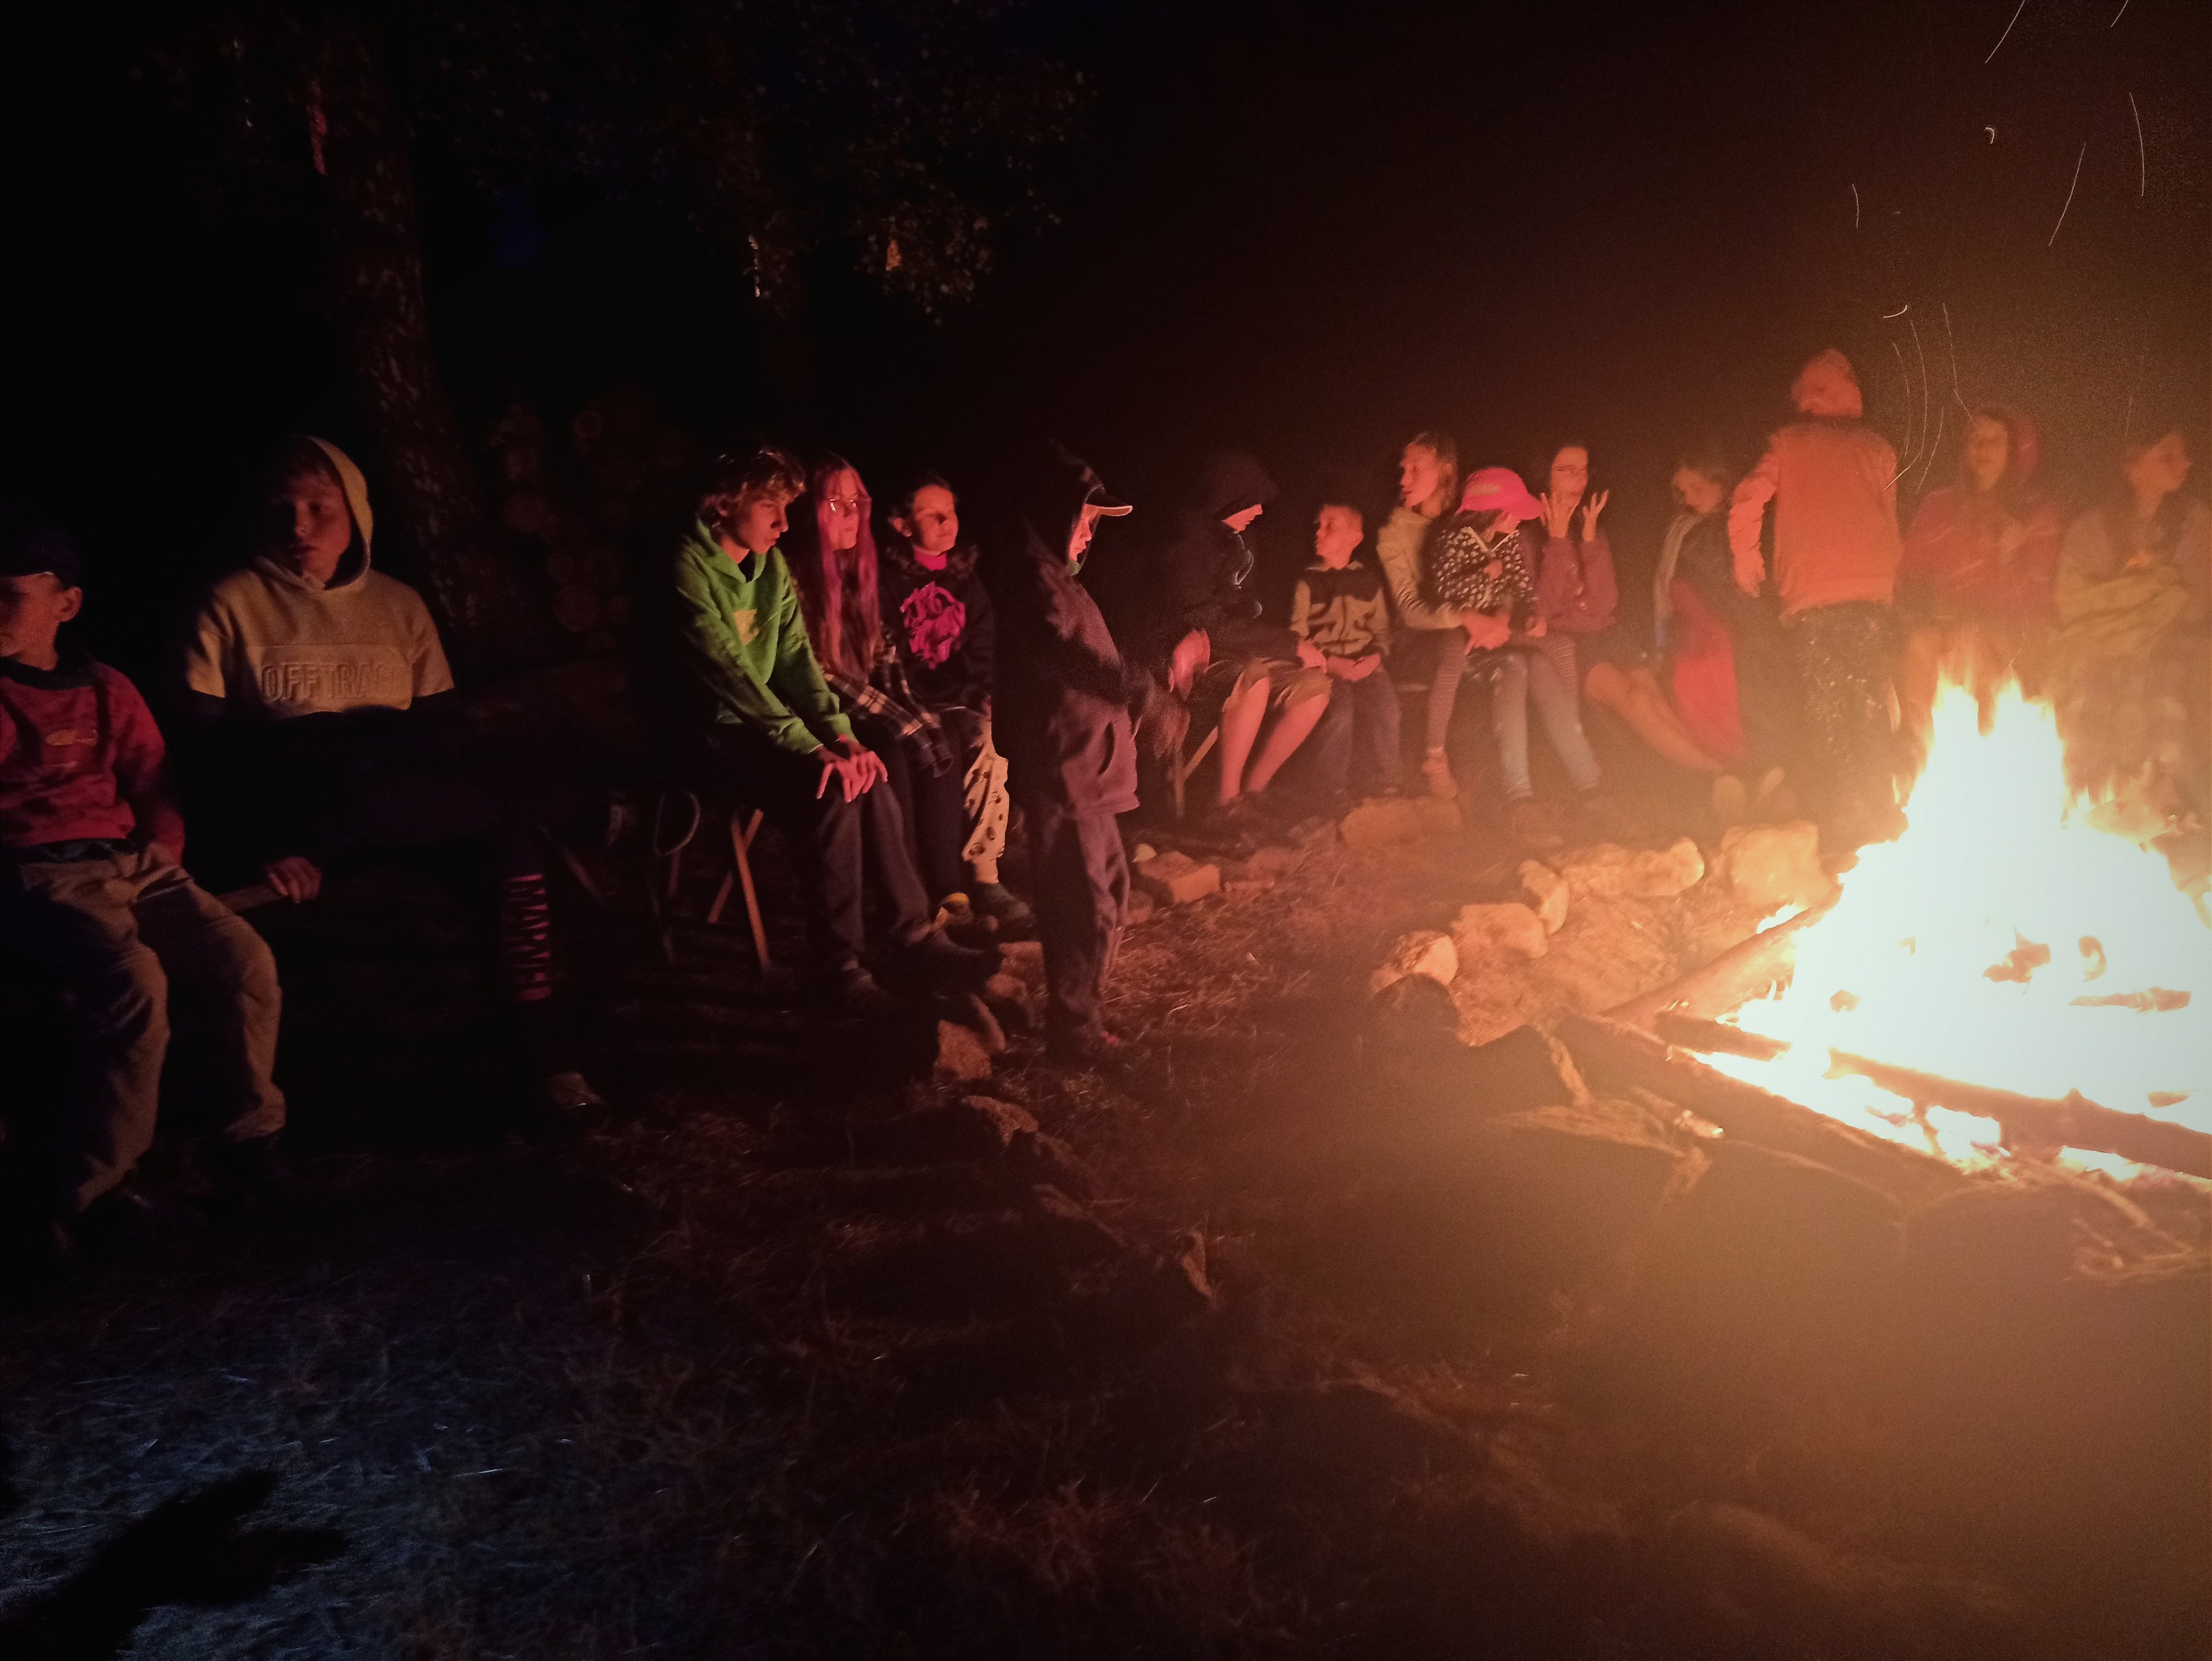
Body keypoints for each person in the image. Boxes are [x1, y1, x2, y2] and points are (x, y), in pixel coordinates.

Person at [177, 436, 605, 1118]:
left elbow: (441, 734)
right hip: (300, 804)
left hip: (398, 800)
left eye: (319, 508)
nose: (299, 525)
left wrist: (389, 756)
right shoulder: (232, 601)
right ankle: (577, 808)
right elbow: (204, 750)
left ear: (356, 512)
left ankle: (544, 1062)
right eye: (281, 509)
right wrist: (268, 843)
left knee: (508, 850)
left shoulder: (399, 604)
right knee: (375, 783)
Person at [1, 524, 290, 1271]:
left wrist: (163, 847)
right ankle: (95, 1191)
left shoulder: (105, 687)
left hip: (133, 862)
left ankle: (249, 1137)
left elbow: (151, 775)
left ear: (66, 605)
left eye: (9, 598)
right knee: (133, 980)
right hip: (40, 872)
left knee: (243, 958)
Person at [671, 447, 995, 1015]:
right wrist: (811, 747)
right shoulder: (688, 568)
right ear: (723, 504)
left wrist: (842, 737)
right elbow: (730, 673)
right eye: (769, 506)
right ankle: (838, 966)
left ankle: (911, 935)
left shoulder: (767, 565)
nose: (783, 522)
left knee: (867, 768)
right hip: (710, 738)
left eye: (787, 508)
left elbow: (797, 660)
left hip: (766, 728)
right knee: (833, 790)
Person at [982, 442, 1138, 1067]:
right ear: (1054, 514)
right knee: (1079, 898)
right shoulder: (1032, 581)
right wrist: (1132, 685)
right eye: (1084, 518)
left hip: (1091, 765)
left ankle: (1084, 1006)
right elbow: (1058, 653)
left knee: (1111, 889)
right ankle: (1073, 1028)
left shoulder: (1058, 579)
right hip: (1066, 765)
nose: (1090, 533)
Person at [1730, 349, 1906, 851]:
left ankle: (1847, 822)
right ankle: (1882, 808)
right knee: (1868, 702)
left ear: (1804, 397)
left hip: (1814, 596)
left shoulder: (1786, 444)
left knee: (1829, 707)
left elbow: (1747, 498)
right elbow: (1889, 518)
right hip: (1873, 592)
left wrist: (1746, 559)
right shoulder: (1878, 448)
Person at [785, 453, 971, 916]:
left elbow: (884, 657)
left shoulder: (858, 571)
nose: (851, 513)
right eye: (836, 503)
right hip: (815, 709)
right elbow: (815, 672)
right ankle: (911, 905)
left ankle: (950, 893)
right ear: (809, 511)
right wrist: (898, 721)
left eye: (857, 502)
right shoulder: (793, 576)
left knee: (937, 733)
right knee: (890, 748)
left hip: (859, 701)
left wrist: (914, 714)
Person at [1588, 445, 1799, 820]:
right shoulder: (1682, 527)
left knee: (1720, 671)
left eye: (1697, 489)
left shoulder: (1742, 524)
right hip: (1691, 623)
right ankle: (1729, 778)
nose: (1689, 499)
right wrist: (1664, 636)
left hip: (1736, 622)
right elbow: (1664, 585)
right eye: (1682, 492)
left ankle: (1760, 773)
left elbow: (1745, 586)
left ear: (1722, 483)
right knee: (1690, 673)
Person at [880, 471, 1031, 932]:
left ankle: (986, 874)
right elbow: (892, 660)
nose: (948, 523)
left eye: (951, 512)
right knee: (937, 750)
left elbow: (983, 646)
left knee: (991, 742)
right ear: (902, 525)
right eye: (933, 515)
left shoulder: (966, 578)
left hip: (960, 700)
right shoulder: (888, 582)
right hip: (911, 702)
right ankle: (946, 888)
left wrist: (983, 692)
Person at [1143, 449, 1329, 820]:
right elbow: (1207, 625)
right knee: (1252, 678)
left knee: (1313, 686)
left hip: (1234, 648)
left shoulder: (1238, 540)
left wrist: (1284, 645)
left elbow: (1240, 612)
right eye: (1252, 501)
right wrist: (1290, 643)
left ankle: (1255, 790)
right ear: (1227, 497)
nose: (1259, 510)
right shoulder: (1185, 543)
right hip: (1187, 658)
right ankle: (1225, 802)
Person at [2050, 427, 2211, 815]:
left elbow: (2196, 598)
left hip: (2173, 636)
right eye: (2167, 454)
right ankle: (2087, 799)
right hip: (2102, 640)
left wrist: (2140, 593)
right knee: (2090, 682)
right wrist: (2145, 587)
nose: (2184, 463)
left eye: (2184, 454)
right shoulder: (2092, 528)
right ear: (2132, 466)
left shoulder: (2196, 522)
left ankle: (2167, 807)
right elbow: (2073, 597)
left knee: (2163, 684)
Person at [1896, 404, 2062, 742]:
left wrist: (2012, 557)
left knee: (1972, 645)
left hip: (2015, 631)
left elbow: (2039, 594)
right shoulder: (1938, 507)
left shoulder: (2036, 513)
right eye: (1976, 438)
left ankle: (1988, 742)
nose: (1983, 448)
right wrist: (1926, 616)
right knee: (1919, 644)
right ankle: (1923, 749)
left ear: (2015, 449)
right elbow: (1910, 577)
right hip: (1945, 623)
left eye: (1995, 440)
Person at [1428, 466, 1575, 847]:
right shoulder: (1453, 539)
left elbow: (1518, 582)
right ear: (1492, 512)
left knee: (1559, 646)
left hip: (1498, 622)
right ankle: (1434, 753)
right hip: (1458, 626)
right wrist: (1486, 574)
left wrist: (1531, 614)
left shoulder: (1507, 539)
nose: (1520, 520)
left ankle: (1572, 742)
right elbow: (1444, 590)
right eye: (1514, 512)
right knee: (1453, 661)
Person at [1374, 431, 1510, 799]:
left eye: (1416, 469)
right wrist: (1466, 618)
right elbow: (1410, 610)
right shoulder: (1393, 533)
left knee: (1523, 662)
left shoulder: (1466, 519)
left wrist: (1500, 617)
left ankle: (1518, 789)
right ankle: (1434, 758)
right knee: (1451, 645)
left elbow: (1501, 574)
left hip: (1474, 631)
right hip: (1418, 641)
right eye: (1403, 470)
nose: (1404, 479)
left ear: (1445, 470)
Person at [1496, 442, 1617, 843]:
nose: (1579, 479)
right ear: (1543, 475)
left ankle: (1589, 790)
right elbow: (1540, 609)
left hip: (1565, 636)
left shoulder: (1589, 525)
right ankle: (1545, 795)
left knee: (1556, 657)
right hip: (1521, 637)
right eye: (1567, 470)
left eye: (1584, 469)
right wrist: (1559, 541)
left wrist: (1587, 538)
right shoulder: (1522, 532)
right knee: (1538, 659)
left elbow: (1603, 606)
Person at [1289, 498, 1400, 803]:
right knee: (1340, 711)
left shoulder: (1368, 581)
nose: (1319, 532)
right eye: (1319, 525)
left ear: (1354, 538)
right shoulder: (1308, 581)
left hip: (1364, 661)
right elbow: (1297, 636)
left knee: (1387, 709)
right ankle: (1331, 790)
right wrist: (1329, 662)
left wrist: (1375, 658)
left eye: (1330, 526)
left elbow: (1382, 631)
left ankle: (1387, 782)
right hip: (1324, 665)